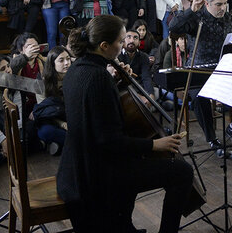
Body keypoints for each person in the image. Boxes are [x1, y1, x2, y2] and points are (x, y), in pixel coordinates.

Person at [57, 14, 192, 233]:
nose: (122, 47)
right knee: (181, 171)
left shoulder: (76, 69)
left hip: (76, 166)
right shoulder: (99, 77)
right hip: (97, 175)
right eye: (120, 42)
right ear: (103, 45)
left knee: (139, 161)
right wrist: (154, 145)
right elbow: (108, 140)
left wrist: (116, 81)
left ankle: (123, 224)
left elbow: (96, 113)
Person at [168, 0, 232, 150]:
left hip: (226, 68)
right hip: (199, 70)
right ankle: (212, 139)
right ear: (207, 3)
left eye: (225, 3)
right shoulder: (196, 17)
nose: (223, 8)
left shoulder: (230, 18)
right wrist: (191, 10)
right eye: (218, 4)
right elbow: (174, 27)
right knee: (199, 98)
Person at [34, 46, 71, 155]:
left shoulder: (74, 75)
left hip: (71, 117)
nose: (66, 63)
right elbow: (44, 111)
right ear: (52, 63)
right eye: (61, 60)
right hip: (53, 119)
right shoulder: (42, 82)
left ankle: (61, 146)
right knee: (45, 132)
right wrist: (63, 124)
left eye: (68, 59)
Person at [118, 27, 155, 93]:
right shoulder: (117, 55)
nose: (132, 40)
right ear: (123, 41)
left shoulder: (144, 57)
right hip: (122, 91)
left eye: (135, 38)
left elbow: (146, 77)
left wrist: (151, 94)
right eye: (129, 37)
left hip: (140, 89)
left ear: (139, 43)